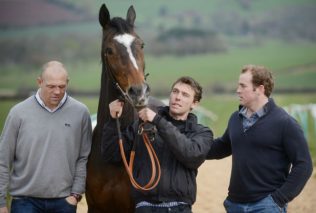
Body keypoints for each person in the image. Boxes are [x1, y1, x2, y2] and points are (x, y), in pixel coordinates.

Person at [207, 64, 313, 213]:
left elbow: (304, 165)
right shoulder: (235, 118)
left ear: (260, 89)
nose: (238, 90)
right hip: (234, 205)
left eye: (243, 86)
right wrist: (189, 145)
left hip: (266, 206)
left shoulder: (285, 123)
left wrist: (279, 199)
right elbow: (222, 146)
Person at [101, 76, 213, 213]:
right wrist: (113, 121)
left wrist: (158, 121)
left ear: (194, 104)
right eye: (175, 91)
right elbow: (111, 155)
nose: (178, 97)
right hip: (144, 207)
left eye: (185, 95)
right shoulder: (142, 125)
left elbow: (191, 155)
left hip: (179, 207)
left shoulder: (201, 132)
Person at [0, 61, 92, 213]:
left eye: (62, 86)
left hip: (64, 202)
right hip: (25, 202)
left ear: (67, 83)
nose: (57, 91)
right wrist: (1, 203)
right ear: (40, 82)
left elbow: (83, 157)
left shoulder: (81, 113)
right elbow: (3, 159)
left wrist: (75, 194)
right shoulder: (18, 113)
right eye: (51, 86)